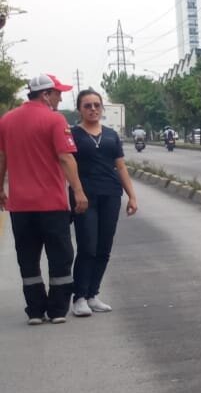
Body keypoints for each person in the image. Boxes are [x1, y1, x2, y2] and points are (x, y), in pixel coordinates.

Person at [0, 74, 88, 325]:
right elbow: (66, 158)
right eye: (58, 93)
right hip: (51, 204)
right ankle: (58, 310)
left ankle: (36, 311)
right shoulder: (54, 119)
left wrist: (0, 189)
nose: (61, 97)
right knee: (60, 256)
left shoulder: (6, 120)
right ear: (45, 94)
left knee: (27, 257)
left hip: (20, 206)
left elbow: (1, 158)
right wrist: (79, 191)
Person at [69, 90, 138, 317]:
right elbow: (66, 166)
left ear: (102, 108)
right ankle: (79, 297)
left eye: (97, 105)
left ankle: (92, 294)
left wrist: (132, 196)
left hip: (110, 195)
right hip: (84, 198)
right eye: (87, 105)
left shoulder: (111, 135)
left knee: (103, 248)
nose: (93, 109)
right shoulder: (72, 135)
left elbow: (120, 167)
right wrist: (75, 192)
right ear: (79, 109)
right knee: (87, 246)